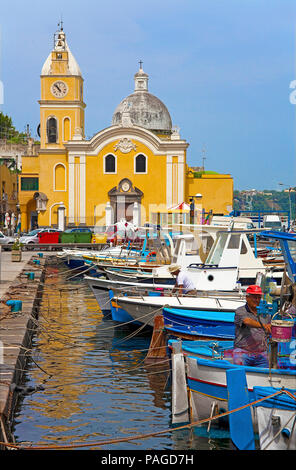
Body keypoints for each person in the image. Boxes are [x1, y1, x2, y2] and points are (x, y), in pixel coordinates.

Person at [233, 285, 272, 367]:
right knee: (240, 372)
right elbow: (247, 321)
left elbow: (270, 328)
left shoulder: (266, 313)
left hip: (261, 353)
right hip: (243, 351)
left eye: (259, 297)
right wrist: (264, 326)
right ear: (247, 298)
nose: (257, 300)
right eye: (254, 297)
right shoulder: (240, 311)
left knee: (265, 374)